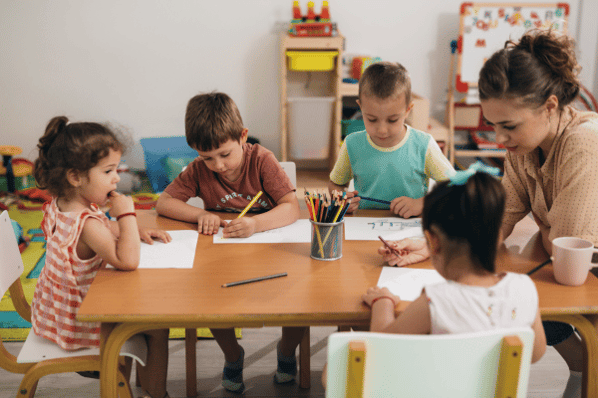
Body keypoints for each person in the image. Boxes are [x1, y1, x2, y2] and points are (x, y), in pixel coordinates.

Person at [384, 30, 598, 398]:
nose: (499, 140)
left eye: (508, 126)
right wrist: (430, 245)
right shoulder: (524, 146)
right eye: (493, 125)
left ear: (549, 106)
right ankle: (581, 366)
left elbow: (567, 254)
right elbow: (497, 221)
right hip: (567, 267)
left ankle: (585, 370)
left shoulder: (584, 144)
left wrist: (542, 234)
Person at [322, 166, 546, 389]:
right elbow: (535, 353)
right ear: (498, 236)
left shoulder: (435, 302)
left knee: (332, 368)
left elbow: (384, 343)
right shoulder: (524, 288)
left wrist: (383, 302)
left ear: (433, 241)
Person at [155, 92, 303, 392]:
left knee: (300, 297)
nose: (218, 166)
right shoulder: (198, 170)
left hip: (270, 251)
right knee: (211, 300)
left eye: (225, 154)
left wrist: (255, 223)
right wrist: (200, 214)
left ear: (243, 136)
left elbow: (291, 207)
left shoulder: (262, 160)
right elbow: (164, 203)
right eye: (207, 157)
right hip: (223, 257)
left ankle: (287, 352)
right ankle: (233, 355)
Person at [31, 116, 172, 398]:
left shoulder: (61, 205)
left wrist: (130, 230)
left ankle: (133, 385)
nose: (117, 178)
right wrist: (127, 215)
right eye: (108, 171)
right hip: (83, 322)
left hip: (56, 312)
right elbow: (127, 261)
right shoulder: (88, 224)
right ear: (76, 177)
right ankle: (155, 393)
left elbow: (104, 229)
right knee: (157, 328)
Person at [328, 61, 454, 217]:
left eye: (392, 120)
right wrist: (340, 199)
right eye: (372, 119)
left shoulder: (423, 145)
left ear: (408, 110)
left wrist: (422, 203)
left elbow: (454, 186)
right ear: (361, 107)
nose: (382, 130)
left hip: (410, 228)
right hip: (364, 226)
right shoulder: (352, 144)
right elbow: (336, 184)